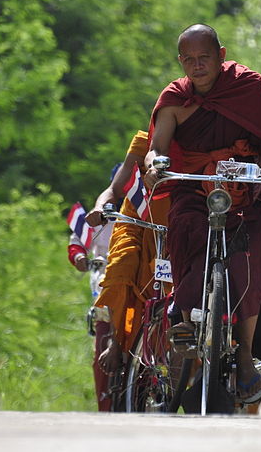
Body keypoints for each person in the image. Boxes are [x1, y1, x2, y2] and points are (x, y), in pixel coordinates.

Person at [144, 23, 261, 404]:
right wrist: (156, 165)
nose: (197, 66)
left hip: (247, 189)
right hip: (195, 189)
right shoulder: (174, 98)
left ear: (221, 56)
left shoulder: (247, 87)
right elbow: (157, 147)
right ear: (180, 62)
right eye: (188, 59)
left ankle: (243, 356)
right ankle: (186, 324)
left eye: (204, 57)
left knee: (248, 267)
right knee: (186, 235)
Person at [89, 130, 172, 382]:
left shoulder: (197, 146)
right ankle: (116, 342)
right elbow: (114, 189)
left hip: (175, 227)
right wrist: (99, 207)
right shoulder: (143, 142)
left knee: (172, 289)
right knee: (122, 269)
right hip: (136, 223)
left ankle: (174, 354)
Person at [66, 164, 118, 412]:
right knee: (102, 341)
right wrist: (79, 258)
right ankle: (105, 404)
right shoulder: (96, 218)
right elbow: (77, 243)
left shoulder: (144, 214)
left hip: (139, 284)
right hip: (105, 284)